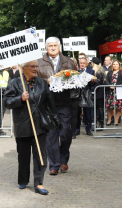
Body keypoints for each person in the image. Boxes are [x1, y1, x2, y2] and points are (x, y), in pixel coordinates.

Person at [3, 60, 61, 195]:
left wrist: (56, 119)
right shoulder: (15, 83)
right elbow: (7, 102)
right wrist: (20, 99)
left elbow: (49, 103)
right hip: (22, 125)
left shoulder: (41, 82)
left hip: (40, 124)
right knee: (23, 156)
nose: (35, 69)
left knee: (40, 155)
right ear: (24, 68)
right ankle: (23, 180)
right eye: (32, 66)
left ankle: (39, 183)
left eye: (36, 66)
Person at [37, 36, 77, 175]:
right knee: (50, 136)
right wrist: (45, 81)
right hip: (47, 105)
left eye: (55, 45)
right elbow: (34, 80)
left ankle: (63, 159)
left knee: (66, 133)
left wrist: (70, 82)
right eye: (50, 46)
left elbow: (75, 79)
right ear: (46, 47)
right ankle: (54, 165)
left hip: (64, 103)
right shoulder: (39, 62)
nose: (53, 48)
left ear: (59, 47)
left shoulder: (69, 61)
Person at [76, 56, 94, 136]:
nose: (82, 65)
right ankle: (77, 129)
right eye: (81, 63)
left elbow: (93, 82)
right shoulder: (76, 71)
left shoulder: (91, 71)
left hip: (87, 93)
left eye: (83, 63)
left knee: (88, 113)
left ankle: (88, 129)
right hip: (78, 94)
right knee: (77, 112)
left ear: (87, 64)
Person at [105, 60, 122, 126]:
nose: (115, 65)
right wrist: (109, 86)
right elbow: (106, 80)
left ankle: (116, 120)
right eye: (114, 64)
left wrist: (115, 86)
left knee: (118, 107)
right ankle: (109, 119)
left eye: (116, 64)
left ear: (119, 65)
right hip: (110, 92)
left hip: (118, 92)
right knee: (109, 107)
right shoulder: (109, 72)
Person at [91, 57, 105, 130]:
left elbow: (98, 82)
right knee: (98, 109)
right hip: (99, 93)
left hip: (98, 93)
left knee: (99, 109)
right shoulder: (100, 71)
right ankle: (98, 124)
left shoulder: (98, 72)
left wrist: (93, 89)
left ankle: (100, 124)